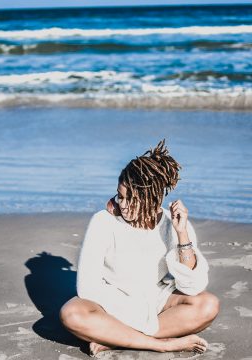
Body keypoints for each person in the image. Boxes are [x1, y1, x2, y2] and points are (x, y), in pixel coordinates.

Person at [60, 139, 220, 356]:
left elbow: (192, 287)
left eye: (130, 199)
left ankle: (118, 338)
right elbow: (87, 288)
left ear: (152, 199)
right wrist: (143, 322)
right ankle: (159, 343)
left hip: (157, 299)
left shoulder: (171, 223)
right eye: (120, 196)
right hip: (113, 304)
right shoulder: (103, 222)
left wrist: (182, 233)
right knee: (72, 314)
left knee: (208, 305)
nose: (122, 205)